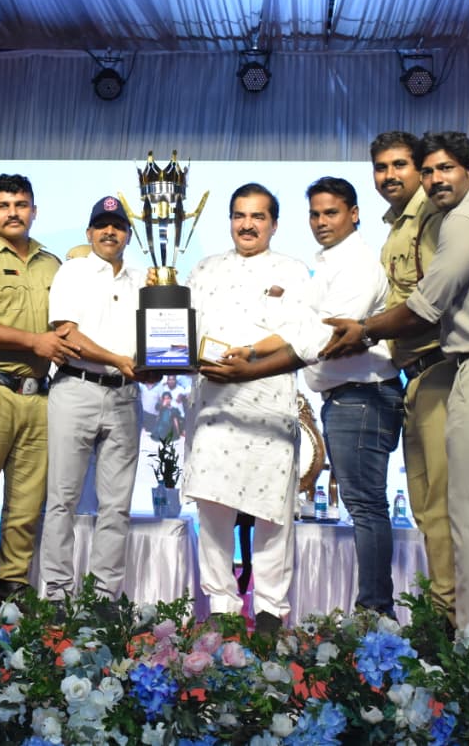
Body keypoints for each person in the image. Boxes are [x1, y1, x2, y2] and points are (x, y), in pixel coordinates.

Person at [322, 131, 469, 638]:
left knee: (466, 516)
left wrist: (364, 330)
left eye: (442, 169)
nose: (433, 179)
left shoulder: (458, 220)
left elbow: (426, 305)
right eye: (428, 170)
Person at [181, 182, 312, 635]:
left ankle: (272, 610)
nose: (248, 224)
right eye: (240, 215)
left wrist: (250, 357)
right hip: (214, 405)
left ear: (274, 224)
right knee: (213, 507)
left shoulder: (293, 271)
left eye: (258, 216)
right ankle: (221, 606)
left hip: (269, 406)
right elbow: (184, 330)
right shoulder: (204, 269)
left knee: (273, 513)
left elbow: (299, 332)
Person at [0, 174, 77, 611]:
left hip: (40, 396)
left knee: (26, 504)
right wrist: (34, 342)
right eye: (3, 205)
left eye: (21, 204)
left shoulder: (53, 264)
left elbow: (68, 324)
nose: (13, 213)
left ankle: (13, 588)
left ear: (34, 211)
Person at [291, 176, 403, 617]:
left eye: (331, 212)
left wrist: (290, 328)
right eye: (315, 214)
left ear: (354, 214)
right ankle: (374, 610)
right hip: (350, 396)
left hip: (364, 395)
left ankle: (375, 612)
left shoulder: (356, 264)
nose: (321, 222)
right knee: (365, 506)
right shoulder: (330, 263)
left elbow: (332, 337)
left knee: (367, 507)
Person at [39, 196, 141, 607]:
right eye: (101, 225)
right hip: (75, 390)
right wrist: (118, 359)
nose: (109, 231)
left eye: (117, 225)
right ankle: (57, 593)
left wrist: (157, 364)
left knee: (117, 505)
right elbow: (67, 334)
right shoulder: (73, 271)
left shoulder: (143, 281)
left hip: (124, 395)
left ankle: (104, 597)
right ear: (89, 232)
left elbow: (155, 341)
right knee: (62, 499)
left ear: (128, 235)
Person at [372, 130, 455, 620]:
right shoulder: (396, 225)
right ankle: (443, 615)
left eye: (400, 165)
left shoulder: (434, 217)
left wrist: (363, 332)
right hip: (416, 377)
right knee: (426, 505)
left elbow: (431, 303)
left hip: (443, 369)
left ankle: (455, 621)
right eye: (381, 167)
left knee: (442, 504)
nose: (389, 176)